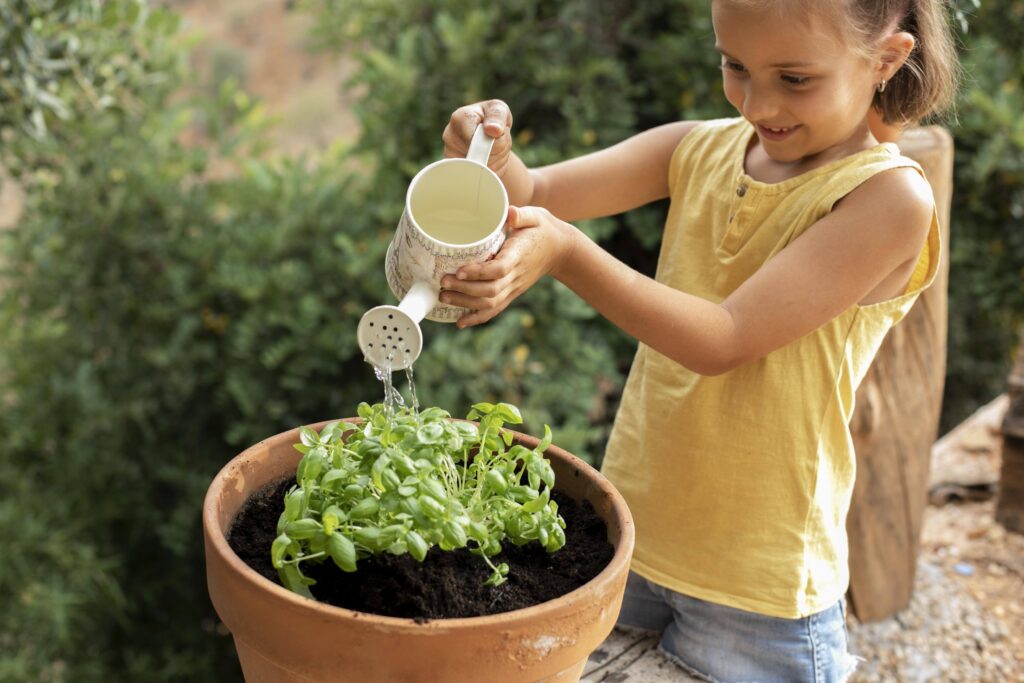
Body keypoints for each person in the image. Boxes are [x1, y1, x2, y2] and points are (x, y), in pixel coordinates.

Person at [439, 0, 958, 681]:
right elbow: (537, 191)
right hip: (632, 535)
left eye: (794, 78)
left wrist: (566, 255)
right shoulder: (697, 148)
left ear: (886, 59)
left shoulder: (889, 199)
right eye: (734, 66)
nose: (757, 102)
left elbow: (726, 338)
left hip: (759, 589)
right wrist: (492, 155)